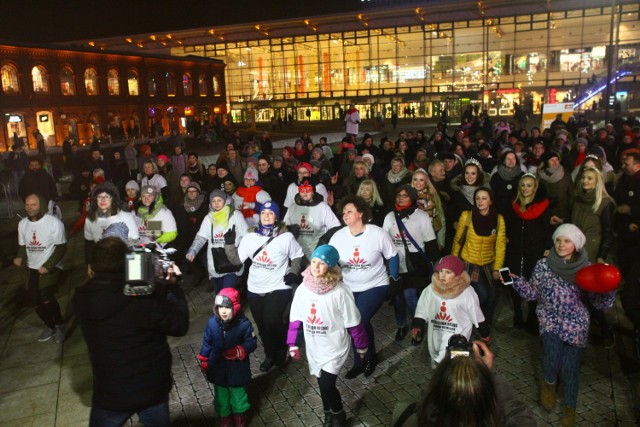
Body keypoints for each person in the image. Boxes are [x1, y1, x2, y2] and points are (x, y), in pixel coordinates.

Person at [73, 233, 189, 426]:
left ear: (92, 267)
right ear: (126, 263)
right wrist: (171, 288)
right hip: (151, 389)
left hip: (110, 391)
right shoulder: (143, 298)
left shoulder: (81, 299)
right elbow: (179, 325)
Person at [508, 224, 615, 427]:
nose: (561, 244)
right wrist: (517, 281)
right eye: (558, 240)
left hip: (576, 323)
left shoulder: (586, 268)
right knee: (552, 355)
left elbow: (599, 303)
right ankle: (548, 382)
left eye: (566, 241)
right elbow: (533, 293)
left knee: (570, 368)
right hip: (550, 318)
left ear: (576, 244)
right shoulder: (543, 265)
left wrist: (607, 289)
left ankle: (569, 408)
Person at [287, 245, 369, 427]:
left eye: (322, 263)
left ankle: (338, 415)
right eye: (314, 261)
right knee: (320, 381)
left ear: (331, 267)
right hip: (314, 346)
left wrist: (361, 347)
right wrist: (293, 343)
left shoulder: (340, 292)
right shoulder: (303, 289)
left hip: (335, 347)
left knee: (326, 384)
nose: (315, 267)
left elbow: (354, 322)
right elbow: (295, 318)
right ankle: (328, 414)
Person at [226, 201, 305, 372]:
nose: (267, 216)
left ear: (276, 216)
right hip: (254, 288)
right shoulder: (250, 237)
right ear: (259, 216)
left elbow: (298, 256)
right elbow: (235, 261)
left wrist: (293, 271)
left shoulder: (286, 237)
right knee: (262, 326)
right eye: (263, 213)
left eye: (270, 213)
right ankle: (270, 354)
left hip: (278, 286)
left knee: (272, 321)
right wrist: (229, 245)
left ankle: (282, 349)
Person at [329, 195, 399, 378]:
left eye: (349, 211)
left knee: (357, 320)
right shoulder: (338, 236)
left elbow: (393, 255)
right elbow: (329, 261)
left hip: (375, 285)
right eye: (343, 212)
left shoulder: (377, 233)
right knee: (355, 322)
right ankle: (360, 360)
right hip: (349, 287)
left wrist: (393, 278)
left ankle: (367, 359)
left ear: (360, 213)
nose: (345, 214)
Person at [391, 339, 536, 426]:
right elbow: (515, 411)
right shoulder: (504, 418)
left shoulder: (405, 415)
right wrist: (490, 375)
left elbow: (426, 403)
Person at [383, 185, 439, 342]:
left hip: (414, 263)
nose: (401, 198)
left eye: (405, 195)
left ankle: (417, 326)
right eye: (398, 195)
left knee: (410, 296)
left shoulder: (421, 216)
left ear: (412, 197)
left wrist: (437, 266)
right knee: (397, 297)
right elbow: (383, 242)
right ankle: (401, 325)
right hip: (395, 263)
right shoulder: (389, 217)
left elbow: (431, 242)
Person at [451, 187, 506, 341]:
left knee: (492, 297)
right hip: (470, 263)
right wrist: (454, 265)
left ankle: (484, 326)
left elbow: (500, 245)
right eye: (477, 198)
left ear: (490, 201)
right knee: (482, 294)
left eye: (484, 198)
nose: (480, 201)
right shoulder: (467, 216)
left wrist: (497, 268)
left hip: (489, 264)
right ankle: (472, 321)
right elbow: (458, 241)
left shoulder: (498, 219)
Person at [196, 288, 257, 427]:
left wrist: (239, 350)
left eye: (227, 307)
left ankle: (240, 418)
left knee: (239, 398)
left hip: (237, 370)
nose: (223, 311)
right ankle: (225, 419)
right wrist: (204, 359)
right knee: (221, 398)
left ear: (235, 308)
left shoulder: (244, 324)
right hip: (217, 368)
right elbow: (207, 342)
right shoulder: (212, 323)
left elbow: (252, 342)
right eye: (220, 307)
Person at [570, 167, 616, 347]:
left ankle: (606, 332)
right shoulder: (578, 199)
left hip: (593, 254)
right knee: (578, 296)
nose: (585, 181)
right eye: (583, 178)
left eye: (590, 178)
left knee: (591, 298)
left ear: (598, 181)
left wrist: (601, 256)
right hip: (576, 252)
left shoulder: (605, 203)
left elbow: (608, 232)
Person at [410, 255, 483, 367]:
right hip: (436, 332)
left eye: (448, 272)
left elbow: (476, 313)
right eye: (441, 271)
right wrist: (417, 324)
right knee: (436, 361)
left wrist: (484, 331)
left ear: (457, 275)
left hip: (458, 335)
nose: (443, 275)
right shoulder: (431, 289)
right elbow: (422, 308)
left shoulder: (467, 292)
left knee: (455, 367)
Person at [14, 194, 67, 343]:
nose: (30, 208)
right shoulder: (22, 224)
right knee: (35, 301)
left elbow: (62, 247)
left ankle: (60, 325)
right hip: (32, 268)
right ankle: (50, 327)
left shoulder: (53, 223)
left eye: (34, 205)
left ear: (41, 205)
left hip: (50, 267)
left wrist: (48, 266)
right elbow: (23, 246)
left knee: (46, 297)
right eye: (27, 205)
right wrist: (19, 256)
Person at [504, 174, 551, 333]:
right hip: (514, 251)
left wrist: (547, 246)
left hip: (534, 251)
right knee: (512, 281)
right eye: (523, 185)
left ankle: (532, 316)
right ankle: (517, 312)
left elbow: (548, 230)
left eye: (529, 185)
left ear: (535, 187)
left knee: (534, 283)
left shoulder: (543, 206)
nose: (525, 188)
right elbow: (506, 225)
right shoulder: (512, 205)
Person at [186, 189, 249, 293]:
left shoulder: (236, 215)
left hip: (232, 260)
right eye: (213, 201)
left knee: (227, 293)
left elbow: (247, 236)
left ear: (225, 200)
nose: (216, 203)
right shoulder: (208, 218)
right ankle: (223, 308)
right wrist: (193, 250)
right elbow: (201, 237)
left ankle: (232, 308)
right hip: (215, 263)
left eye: (219, 200)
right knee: (219, 293)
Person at [84, 181, 139, 273]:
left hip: (122, 262)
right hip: (101, 263)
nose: (103, 200)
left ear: (113, 198)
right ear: (95, 199)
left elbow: (134, 243)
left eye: (106, 197)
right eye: (99, 197)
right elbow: (89, 244)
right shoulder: (90, 219)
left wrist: (133, 267)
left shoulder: (125, 217)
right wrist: (89, 264)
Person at [283, 178, 340, 258]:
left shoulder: (323, 207)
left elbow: (336, 227)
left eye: (308, 189)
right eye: (302, 189)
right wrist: (289, 229)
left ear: (313, 191)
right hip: (295, 255)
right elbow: (283, 229)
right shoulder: (292, 207)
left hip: (316, 255)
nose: (305, 192)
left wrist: (324, 241)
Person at [411, 168, 445, 250]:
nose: (418, 183)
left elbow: (441, 219)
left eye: (421, 180)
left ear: (426, 182)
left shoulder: (433, 198)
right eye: (415, 179)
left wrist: (441, 241)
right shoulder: (407, 197)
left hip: (429, 238)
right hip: (411, 238)